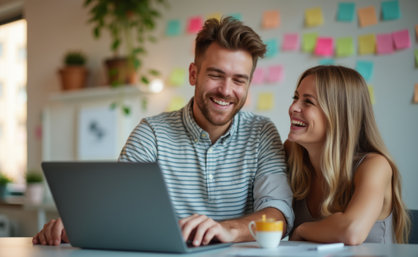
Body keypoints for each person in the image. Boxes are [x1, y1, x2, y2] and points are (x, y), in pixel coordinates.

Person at [32, 17, 294, 246]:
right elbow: (118, 206)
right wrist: (72, 226)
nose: (226, 90)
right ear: (193, 74)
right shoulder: (152, 133)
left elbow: (278, 214)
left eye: (239, 80)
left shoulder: (261, 133)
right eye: (216, 75)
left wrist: (226, 229)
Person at [286, 65, 410, 244]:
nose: (293, 108)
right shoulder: (292, 152)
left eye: (308, 102)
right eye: (295, 97)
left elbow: (351, 231)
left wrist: (303, 230)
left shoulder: (375, 166)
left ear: (338, 114)